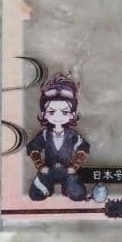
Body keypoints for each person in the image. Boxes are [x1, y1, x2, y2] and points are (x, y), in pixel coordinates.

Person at [25, 73, 90, 201]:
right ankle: (48, 188)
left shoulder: (71, 134)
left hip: (67, 171)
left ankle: (67, 188)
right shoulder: (45, 134)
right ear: (44, 114)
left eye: (64, 112)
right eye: (52, 112)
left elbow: (83, 147)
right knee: (35, 195)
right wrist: (40, 165)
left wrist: (75, 166)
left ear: (72, 115)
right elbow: (33, 148)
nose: (58, 116)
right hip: (48, 170)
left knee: (78, 195)